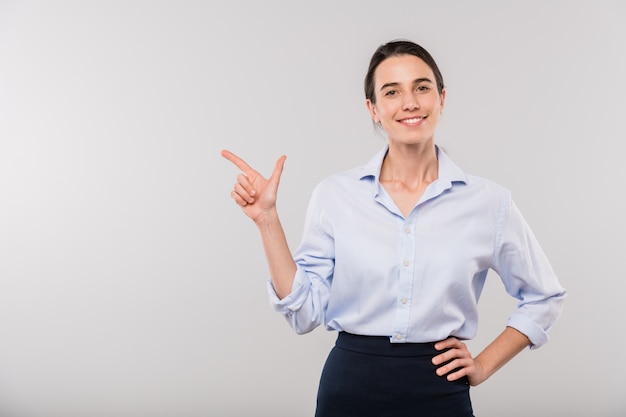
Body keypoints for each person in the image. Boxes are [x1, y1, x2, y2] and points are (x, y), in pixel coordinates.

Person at [221, 39, 566, 417]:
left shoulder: (487, 202)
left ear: (442, 99)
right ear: (373, 109)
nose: (410, 102)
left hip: (439, 389)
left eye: (422, 87)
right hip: (350, 387)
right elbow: (304, 315)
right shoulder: (336, 195)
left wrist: (483, 365)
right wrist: (267, 221)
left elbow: (544, 296)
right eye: (392, 92)